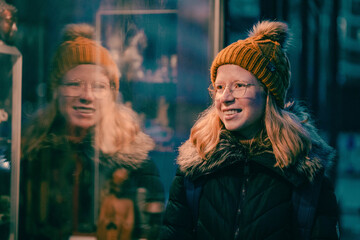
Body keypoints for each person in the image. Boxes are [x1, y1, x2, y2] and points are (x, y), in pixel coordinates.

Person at [160, 21, 339, 240]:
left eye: (239, 86)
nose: (225, 97)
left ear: (268, 93)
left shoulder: (304, 171)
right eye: (219, 87)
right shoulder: (198, 161)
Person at [20, 23, 164, 240]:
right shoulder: (33, 155)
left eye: (98, 86)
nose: (87, 96)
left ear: (111, 94)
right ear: (56, 91)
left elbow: (154, 229)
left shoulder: (136, 161)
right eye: (74, 84)